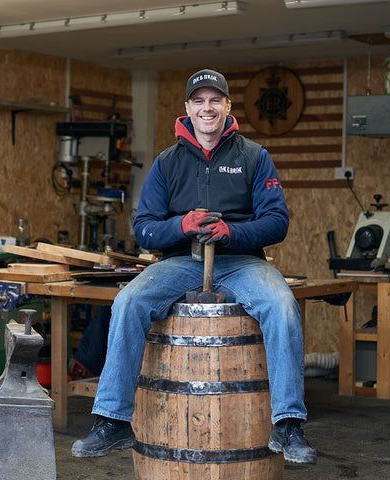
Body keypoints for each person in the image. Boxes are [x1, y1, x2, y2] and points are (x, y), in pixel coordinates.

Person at [72, 68, 317, 465]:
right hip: (182, 261)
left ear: (227, 106)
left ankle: (288, 425)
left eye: (215, 100)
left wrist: (232, 232)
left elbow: (277, 222)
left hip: (241, 262)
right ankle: (112, 420)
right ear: (187, 108)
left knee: (282, 305)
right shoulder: (167, 164)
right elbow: (144, 230)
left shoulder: (255, 156)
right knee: (129, 301)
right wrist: (181, 225)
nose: (208, 108)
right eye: (199, 101)